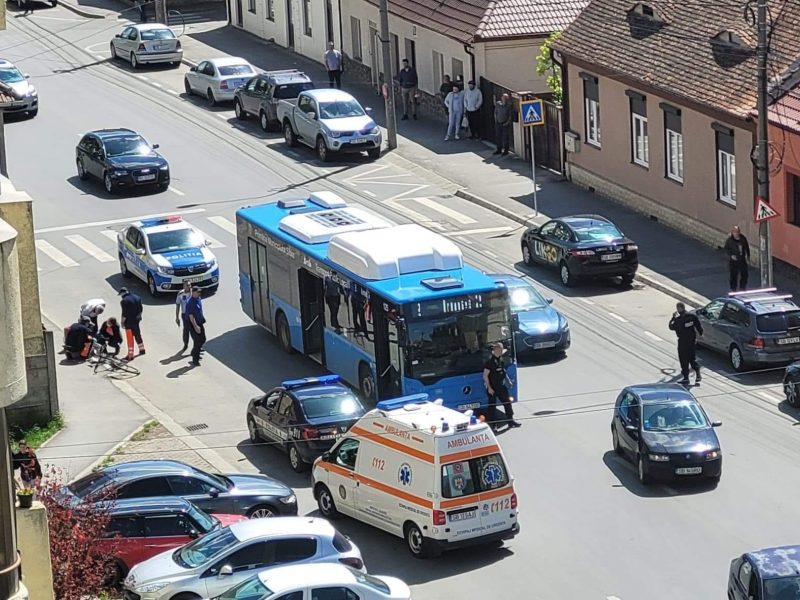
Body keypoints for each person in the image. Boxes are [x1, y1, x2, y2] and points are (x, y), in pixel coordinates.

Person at [483, 342, 521, 429]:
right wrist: (489, 388)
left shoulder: (501, 359)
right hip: (492, 388)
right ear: (496, 350)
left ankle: (511, 421)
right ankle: (493, 425)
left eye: (501, 350)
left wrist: (508, 381)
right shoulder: (490, 362)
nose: (501, 351)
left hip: (501, 386)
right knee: (492, 407)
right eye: (500, 349)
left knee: (507, 403)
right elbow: (485, 376)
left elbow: (503, 371)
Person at [668, 302, 703, 385]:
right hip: (692, 342)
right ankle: (698, 374)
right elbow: (699, 327)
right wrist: (700, 335)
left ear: (679, 309)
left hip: (683, 342)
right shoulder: (692, 316)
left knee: (684, 360)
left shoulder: (678, 320)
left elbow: (671, 327)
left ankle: (686, 378)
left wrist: (672, 318)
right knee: (692, 359)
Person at [119, 287, 145, 360]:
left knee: (130, 338)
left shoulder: (124, 301)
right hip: (136, 320)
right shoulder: (137, 297)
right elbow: (141, 309)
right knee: (137, 334)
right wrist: (139, 316)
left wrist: (122, 322)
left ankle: (130, 355)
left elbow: (124, 313)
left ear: (122, 294)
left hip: (128, 322)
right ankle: (142, 349)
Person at [724, 225, 750, 291]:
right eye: (735, 232)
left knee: (744, 275)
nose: (736, 234)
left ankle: (742, 288)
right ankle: (733, 289)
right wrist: (731, 255)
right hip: (733, 262)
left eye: (737, 232)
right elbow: (726, 249)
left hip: (742, 260)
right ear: (732, 232)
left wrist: (748, 256)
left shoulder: (743, 239)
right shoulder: (730, 241)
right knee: (733, 276)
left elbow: (746, 248)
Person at [186, 286, 206, 367]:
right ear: (193, 292)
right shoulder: (190, 303)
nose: (199, 293)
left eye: (199, 292)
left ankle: (194, 352)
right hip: (193, 323)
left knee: (203, 339)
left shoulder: (198, 298)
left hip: (200, 322)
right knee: (197, 341)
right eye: (197, 292)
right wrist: (196, 327)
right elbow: (191, 317)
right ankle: (195, 359)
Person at [175, 281, 193, 352]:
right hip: (185, 314)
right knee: (186, 330)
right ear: (184, 286)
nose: (189, 286)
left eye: (190, 285)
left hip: (193, 314)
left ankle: (198, 346)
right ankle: (185, 344)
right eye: (187, 285)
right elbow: (178, 305)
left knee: (196, 330)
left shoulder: (193, 292)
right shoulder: (180, 294)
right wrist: (177, 317)